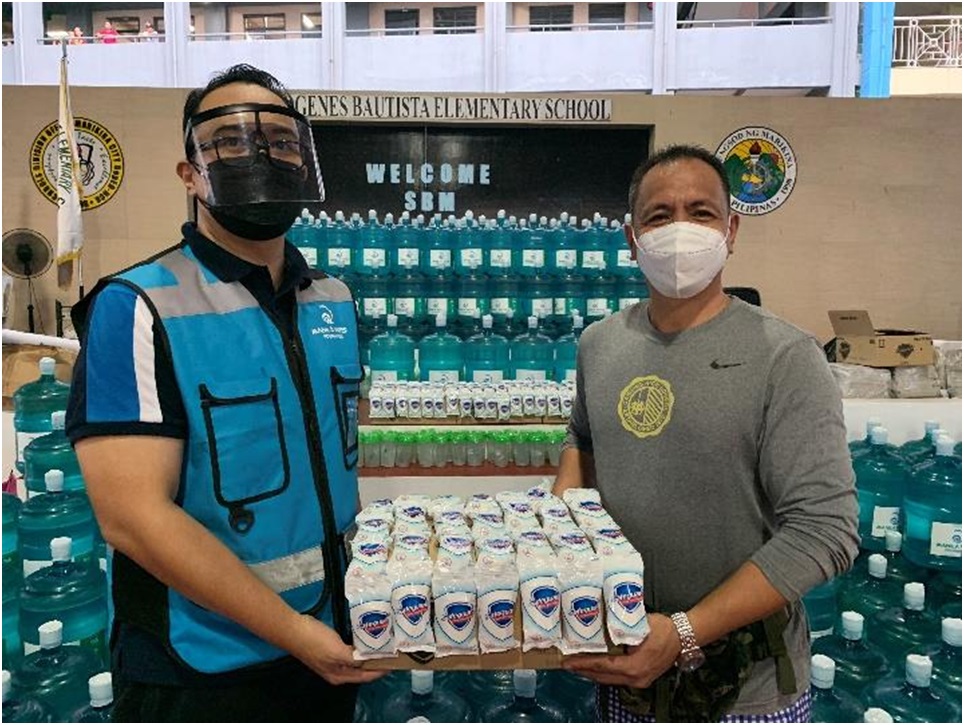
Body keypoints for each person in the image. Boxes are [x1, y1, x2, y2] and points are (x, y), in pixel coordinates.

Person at [66, 64, 379, 721]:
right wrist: (295, 634)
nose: (260, 155)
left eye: (281, 141)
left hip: (330, 643)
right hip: (200, 671)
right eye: (232, 140)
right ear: (190, 174)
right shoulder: (138, 305)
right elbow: (132, 516)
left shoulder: (334, 300)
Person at [555, 145, 859, 722]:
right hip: (625, 663)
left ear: (731, 230)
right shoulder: (600, 343)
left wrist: (684, 631)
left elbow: (826, 530)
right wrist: (562, 542)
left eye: (701, 212)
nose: (681, 230)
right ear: (632, 239)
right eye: (659, 215)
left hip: (745, 684)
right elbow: (582, 440)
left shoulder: (785, 356)